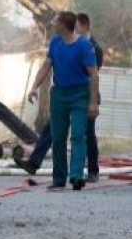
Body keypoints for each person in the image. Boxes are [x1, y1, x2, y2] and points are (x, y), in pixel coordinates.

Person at [15, 14, 104, 182]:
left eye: (56, 21)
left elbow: (94, 75)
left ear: (63, 25)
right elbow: (46, 66)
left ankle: (76, 175)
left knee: (78, 135)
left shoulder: (84, 46)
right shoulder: (56, 42)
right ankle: (59, 177)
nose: (54, 24)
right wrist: (34, 87)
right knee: (57, 136)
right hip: (59, 95)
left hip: (80, 95)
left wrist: (93, 102)